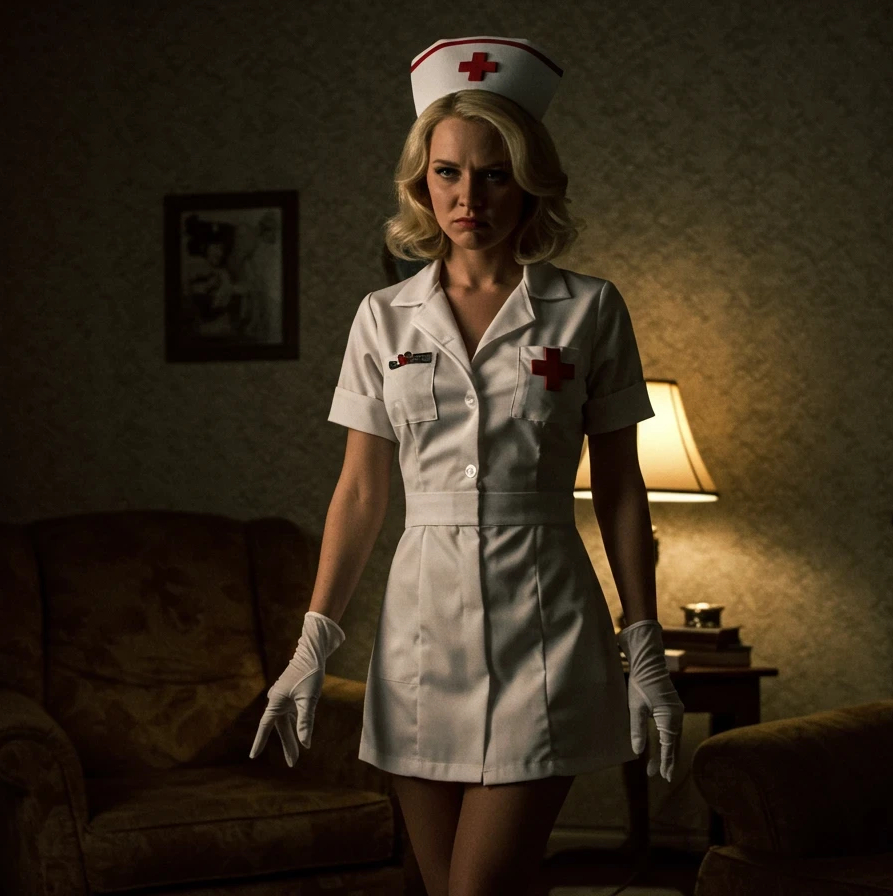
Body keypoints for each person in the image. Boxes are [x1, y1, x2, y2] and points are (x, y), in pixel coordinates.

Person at [250, 36, 684, 895]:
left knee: (478, 888)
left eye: (491, 174)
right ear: (422, 182)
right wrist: (313, 641)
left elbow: (623, 488)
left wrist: (645, 642)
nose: (468, 197)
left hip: (546, 622)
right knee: (459, 884)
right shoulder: (385, 319)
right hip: (422, 632)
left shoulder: (589, 308)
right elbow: (363, 489)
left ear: (528, 180)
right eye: (447, 173)